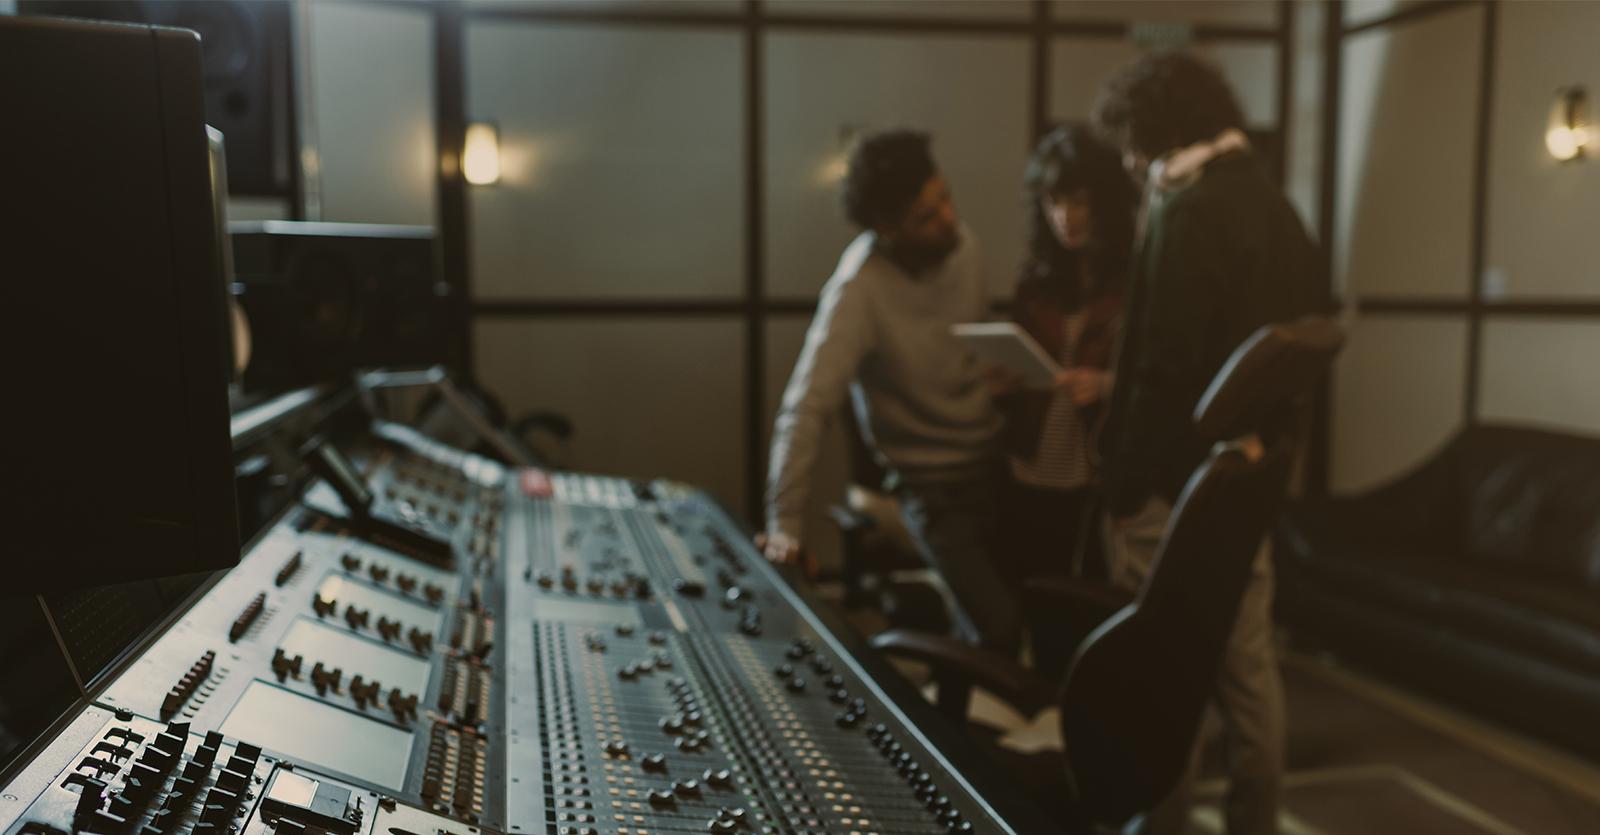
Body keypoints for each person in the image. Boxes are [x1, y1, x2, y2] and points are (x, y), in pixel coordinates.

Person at [1090, 52, 1328, 835]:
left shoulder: (1185, 208)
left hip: (1173, 487)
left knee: (1164, 673)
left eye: (1131, 139)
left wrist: (1124, 490)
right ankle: (1254, 821)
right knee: (1249, 670)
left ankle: (1156, 824)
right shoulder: (1274, 205)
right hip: (1246, 475)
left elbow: (1162, 366)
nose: (1130, 159)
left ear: (1158, 131)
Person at [761, 129, 1016, 654]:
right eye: (926, 217)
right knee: (1001, 631)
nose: (948, 218)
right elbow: (805, 409)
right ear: (887, 229)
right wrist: (784, 524)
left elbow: (961, 347)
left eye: (945, 198)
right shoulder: (858, 288)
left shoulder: (963, 244)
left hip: (997, 463)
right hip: (933, 489)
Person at [992, 126, 1136, 620]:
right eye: (1054, 202)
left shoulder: (1133, 279)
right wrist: (1003, 382)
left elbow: (1155, 379)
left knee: (1087, 600)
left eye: (1078, 201)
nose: (1064, 217)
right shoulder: (1036, 281)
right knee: (1033, 594)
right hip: (1030, 460)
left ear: (1104, 203)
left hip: (1093, 465)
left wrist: (1105, 386)